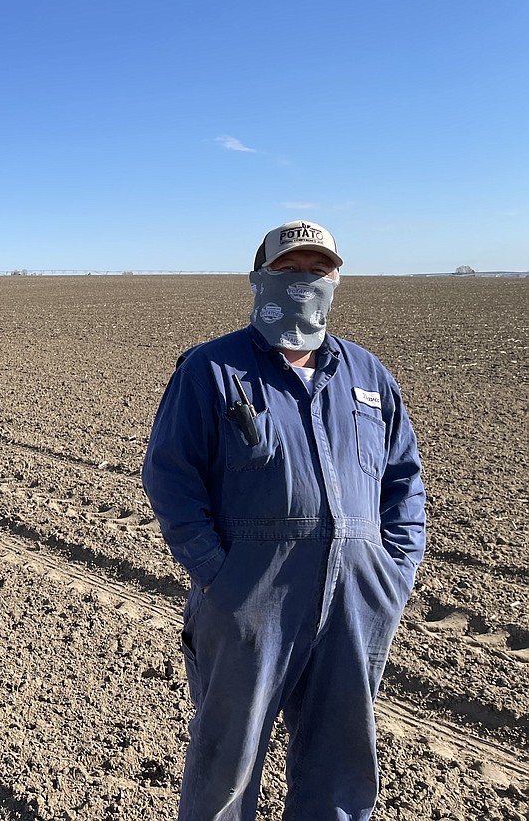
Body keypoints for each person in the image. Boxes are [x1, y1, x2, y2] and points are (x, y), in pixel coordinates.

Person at [142, 221, 426, 820]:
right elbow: (171, 475)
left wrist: (393, 573)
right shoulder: (212, 369)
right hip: (250, 599)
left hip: (355, 602)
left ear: (336, 280)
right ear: (259, 278)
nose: (305, 282)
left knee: (341, 769)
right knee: (227, 768)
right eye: (290, 270)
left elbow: (403, 481)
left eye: (318, 270)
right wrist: (218, 573)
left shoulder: (368, 376)